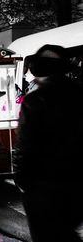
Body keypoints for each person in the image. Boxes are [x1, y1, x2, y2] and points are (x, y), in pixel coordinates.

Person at [13, 45, 83, 242]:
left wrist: (21, 179)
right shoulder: (79, 95)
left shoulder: (35, 100)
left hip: (43, 185)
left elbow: (25, 145)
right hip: (76, 184)